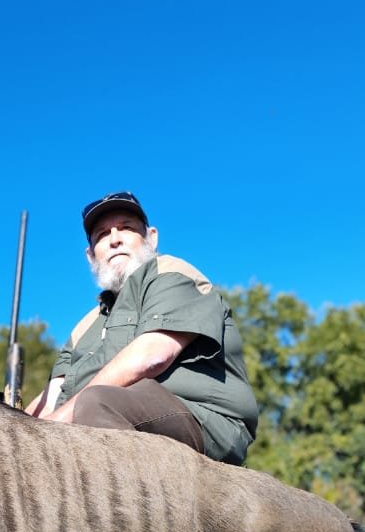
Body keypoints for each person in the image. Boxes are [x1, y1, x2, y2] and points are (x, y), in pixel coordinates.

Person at [26, 191, 258, 465]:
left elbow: (152, 356)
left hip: (202, 418)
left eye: (126, 228)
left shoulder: (171, 272)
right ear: (90, 255)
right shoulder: (84, 326)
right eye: (101, 234)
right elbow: (53, 394)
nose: (114, 239)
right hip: (96, 419)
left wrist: (61, 420)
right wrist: (13, 426)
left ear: (151, 237)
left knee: (96, 403)